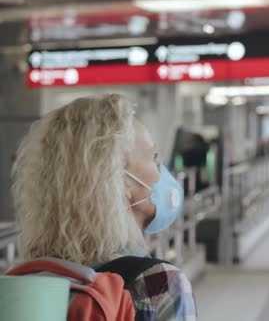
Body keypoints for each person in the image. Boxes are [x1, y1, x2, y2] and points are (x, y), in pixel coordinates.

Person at [11, 94, 197, 320]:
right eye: (153, 156)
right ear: (121, 178)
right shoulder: (158, 283)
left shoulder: (26, 284)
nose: (161, 170)